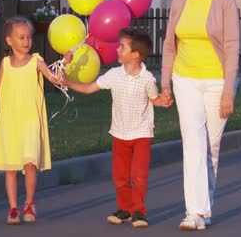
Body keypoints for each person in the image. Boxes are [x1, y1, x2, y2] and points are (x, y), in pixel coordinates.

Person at [161, 0, 240, 231]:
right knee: (193, 142)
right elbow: (170, 44)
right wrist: (166, 81)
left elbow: (232, 47)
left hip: (217, 81)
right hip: (186, 80)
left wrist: (229, 89)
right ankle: (193, 212)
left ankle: (204, 208)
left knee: (211, 147)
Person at [63, 28, 172, 228]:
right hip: (120, 133)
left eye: (122, 46)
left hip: (141, 134)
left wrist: (163, 101)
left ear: (136, 55)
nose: (117, 49)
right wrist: (66, 81)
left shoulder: (147, 79)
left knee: (138, 175)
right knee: (120, 176)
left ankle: (139, 211)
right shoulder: (114, 75)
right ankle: (125, 209)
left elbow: (153, 99)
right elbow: (88, 88)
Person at [0, 16, 67, 225]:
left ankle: (29, 203)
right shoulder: (5, 63)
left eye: (29, 37)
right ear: (9, 41)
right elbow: (0, 91)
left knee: (30, 163)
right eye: (21, 37)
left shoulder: (36, 61)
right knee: (11, 167)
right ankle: (13, 208)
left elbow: (55, 79)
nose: (26, 41)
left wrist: (65, 63)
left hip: (30, 120)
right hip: (10, 121)